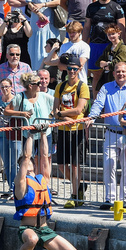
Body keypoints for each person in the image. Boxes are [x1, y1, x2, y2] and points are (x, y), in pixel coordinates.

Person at [11, 133, 82, 250]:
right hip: (27, 229)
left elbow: (44, 156)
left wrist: (43, 134)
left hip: (44, 229)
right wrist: (30, 135)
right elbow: (28, 155)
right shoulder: (20, 183)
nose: (28, 165)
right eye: (24, 164)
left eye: (30, 165)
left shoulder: (42, 179)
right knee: (32, 239)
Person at [89, 60, 126, 209]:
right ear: (113, 73)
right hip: (111, 132)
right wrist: (92, 117)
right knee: (109, 165)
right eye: (118, 71)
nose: (120, 74)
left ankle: (125, 201)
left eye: (123, 71)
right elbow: (98, 104)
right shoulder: (106, 87)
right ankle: (109, 199)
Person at [53, 53, 91, 208]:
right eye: (69, 69)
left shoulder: (83, 87)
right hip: (63, 128)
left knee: (75, 164)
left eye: (74, 69)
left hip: (77, 129)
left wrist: (62, 114)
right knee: (62, 165)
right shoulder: (60, 86)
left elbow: (79, 109)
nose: (71, 71)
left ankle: (74, 195)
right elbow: (54, 110)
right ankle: (79, 185)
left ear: (79, 69)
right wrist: (63, 118)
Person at [85, 0, 124, 91]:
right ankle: (96, 104)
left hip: (109, 45)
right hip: (95, 44)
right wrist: (83, 44)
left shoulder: (116, 7)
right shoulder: (91, 7)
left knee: (111, 75)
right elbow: (87, 27)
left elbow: (121, 28)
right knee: (96, 75)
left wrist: (121, 45)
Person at [26, 0, 62, 67]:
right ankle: (37, 67)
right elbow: (29, 3)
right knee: (36, 44)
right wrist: (38, 13)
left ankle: (51, 67)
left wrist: (43, 4)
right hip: (37, 20)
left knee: (51, 40)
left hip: (50, 18)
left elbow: (58, 1)